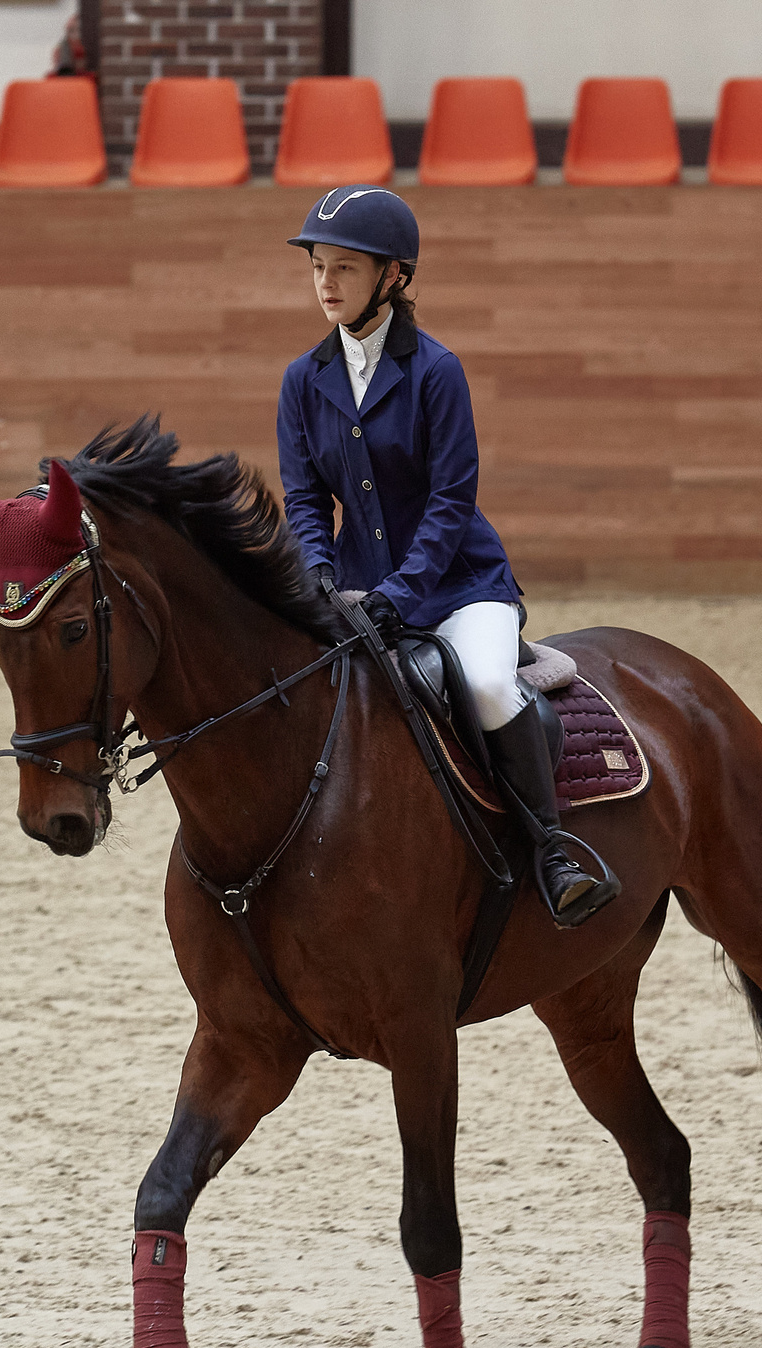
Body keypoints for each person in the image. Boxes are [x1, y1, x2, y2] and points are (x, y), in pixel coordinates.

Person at [276, 185, 619, 928]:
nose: (327, 285)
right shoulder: (303, 382)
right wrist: (320, 574)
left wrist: (402, 591)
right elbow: (303, 498)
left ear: (392, 277)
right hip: (358, 592)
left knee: (492, 687)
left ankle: (551, 850)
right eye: (318, 269)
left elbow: (450, 500)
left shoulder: (436, 372)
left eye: (344, 269)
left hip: (461, 586)